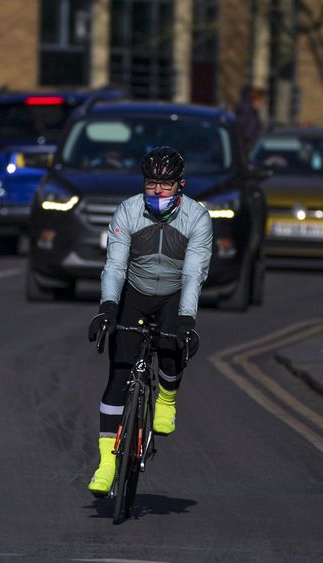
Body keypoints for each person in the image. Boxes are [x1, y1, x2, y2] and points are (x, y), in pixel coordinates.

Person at [85, 146, 213, 496]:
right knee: (118, 374)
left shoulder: (197, 218)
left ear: (180, 185)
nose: (157, 190)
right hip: (135, 294)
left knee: (172, 349)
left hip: (173, 294)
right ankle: (107, 463)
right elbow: (114, 265)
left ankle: (167, 399)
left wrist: (187, 319)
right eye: (151, 182)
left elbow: (192, 275)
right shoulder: (128, 211)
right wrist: (108, 308)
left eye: (166, 184)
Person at [234, 86, 266, 151]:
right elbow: (248, 134)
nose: (263, 103)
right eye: (261, 99)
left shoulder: (251, 113)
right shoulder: (248, 115)